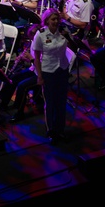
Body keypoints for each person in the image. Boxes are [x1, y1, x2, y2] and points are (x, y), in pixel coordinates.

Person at [32, 10, 71, 142]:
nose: (55, 22)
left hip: (62, 69)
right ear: (47, 20)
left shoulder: (63, 32)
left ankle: (60, 129)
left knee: (61, 101)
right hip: (48, 71)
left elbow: (71, 46)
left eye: (57, 19)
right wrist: (39, 76)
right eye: (52, 19)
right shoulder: (40, 34)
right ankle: (51, 131)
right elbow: (36, 57)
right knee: (50, 102)